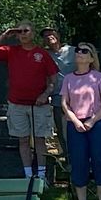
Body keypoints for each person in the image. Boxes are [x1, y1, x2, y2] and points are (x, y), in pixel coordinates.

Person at [0, 21, 58, 179]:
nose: (23, 34)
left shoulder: (41, 54)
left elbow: (53, 79)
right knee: (23, 140)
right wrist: (5, 34)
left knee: (39, 140)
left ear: (33, 33)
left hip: (39, 104)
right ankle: (28, 174)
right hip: (17, 104)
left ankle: (42, 175)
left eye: (26, 31)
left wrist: (45, 94)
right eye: (19, 31)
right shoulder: (11, 51)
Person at [61, 44, 101, 200]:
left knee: (100, 161)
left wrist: (92, 121)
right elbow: (64, 104)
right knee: (78, 163)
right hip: (75, 124)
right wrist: (75, 120)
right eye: (78, 51)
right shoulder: (68, 78)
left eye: (85, 51)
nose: (80, 54)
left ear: (91, 58)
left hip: (97, 123)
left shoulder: (98, 77)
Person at [41, 27, 76, 156]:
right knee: (62, 131)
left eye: (51, 33)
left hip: (77, 98)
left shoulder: (73, 51)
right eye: (45, 36)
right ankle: (68, 159)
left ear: (58, 35)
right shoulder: (44, 55)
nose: (49, 36)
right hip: (57, 98)